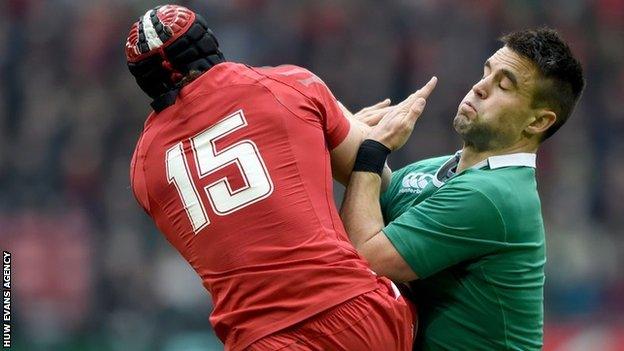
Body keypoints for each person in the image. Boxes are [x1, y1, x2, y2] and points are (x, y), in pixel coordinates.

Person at [125, 4, 431, 351]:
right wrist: (366, 141)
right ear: (208, 43)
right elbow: (375, 178)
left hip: (258, 340)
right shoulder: (286, 84)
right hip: (354, 313)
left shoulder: (143, 166)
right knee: (439, 300)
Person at [340, 28, 584, 350]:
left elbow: (363, 259)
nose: (480, 88)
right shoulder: (441, 171)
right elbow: (373, 193)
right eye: (486, 73)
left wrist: (371, 150)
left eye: (504, 85)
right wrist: (343, 128)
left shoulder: (495, 195)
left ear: (537, 122)